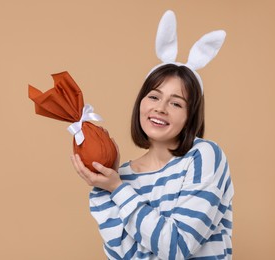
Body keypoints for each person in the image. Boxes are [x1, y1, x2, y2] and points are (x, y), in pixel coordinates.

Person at [70, 63, 233, 259]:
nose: (160, 108)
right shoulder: (117, 180)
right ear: (141, 102)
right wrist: (109, 187)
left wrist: (119, 191)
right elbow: (128, 256)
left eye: (176, 103)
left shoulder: (204, 156)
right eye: (154, 97)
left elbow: (178, 247)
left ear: (190, 117)